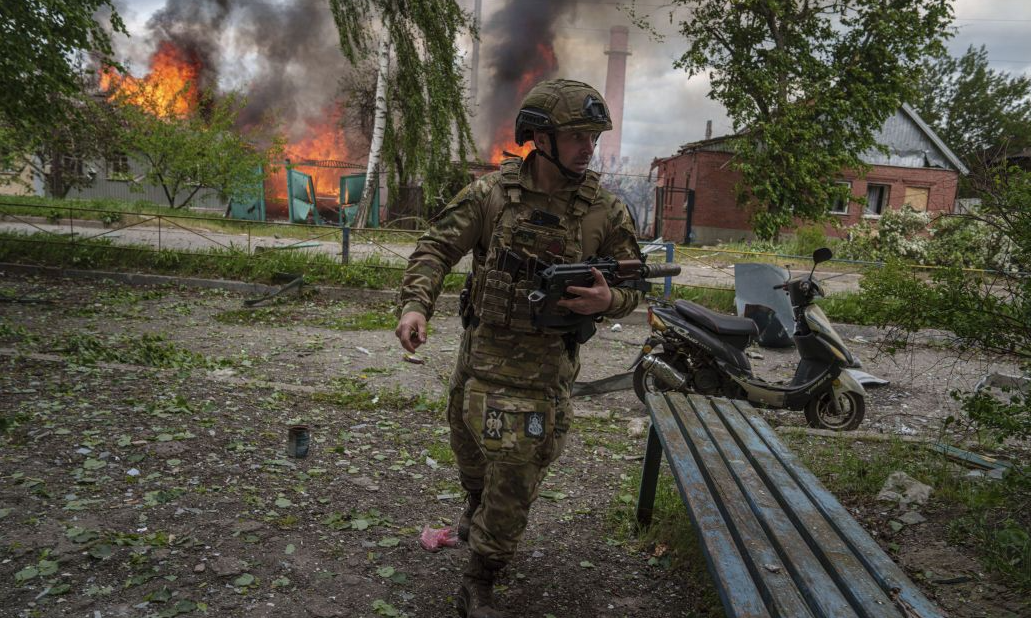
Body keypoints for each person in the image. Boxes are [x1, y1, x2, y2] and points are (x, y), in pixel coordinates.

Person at [394, 79, 642, 617]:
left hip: (543, 372)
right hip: (479, 356)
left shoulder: (605, 211)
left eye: (593, 137)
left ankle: (479, 579)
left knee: (515, 476)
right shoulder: (492, 195)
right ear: (539, 137)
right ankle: (474, 509)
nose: (588, 147)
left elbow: (635, 286)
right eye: (577, 135)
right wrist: (416, 305)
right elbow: (437, 246)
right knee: (470, 453)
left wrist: (607, 300)